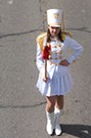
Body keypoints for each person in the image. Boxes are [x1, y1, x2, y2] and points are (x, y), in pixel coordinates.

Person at [35, 8, 83, 136]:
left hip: (61, 74)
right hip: (49, 74)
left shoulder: (66, 39)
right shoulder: (42, 40)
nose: (54, 30)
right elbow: (39, 60)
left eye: (56, 28)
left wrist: (69, 60)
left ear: (60, 27)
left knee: (60, 100)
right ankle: (50, 122)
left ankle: (57, 122)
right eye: (52, 27)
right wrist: (42, 72)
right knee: (50, 102)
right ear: (48, 26)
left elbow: (79, 49)